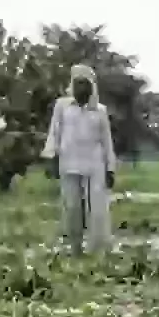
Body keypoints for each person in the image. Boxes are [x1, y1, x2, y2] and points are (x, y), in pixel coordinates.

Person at [41, 64, 115, 254]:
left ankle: (97, 249)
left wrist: (110, 168)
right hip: (68, 162)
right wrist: (51, 158)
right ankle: (75, 248)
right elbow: (54, 133)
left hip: (95, 164)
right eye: (78, 83)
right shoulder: (62, 106)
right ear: (72, 85)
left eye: (85, 84)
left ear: (92, 87)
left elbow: (107, 141)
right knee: (72, 206)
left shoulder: (100, 111)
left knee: (96, 209)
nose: (81, 88)